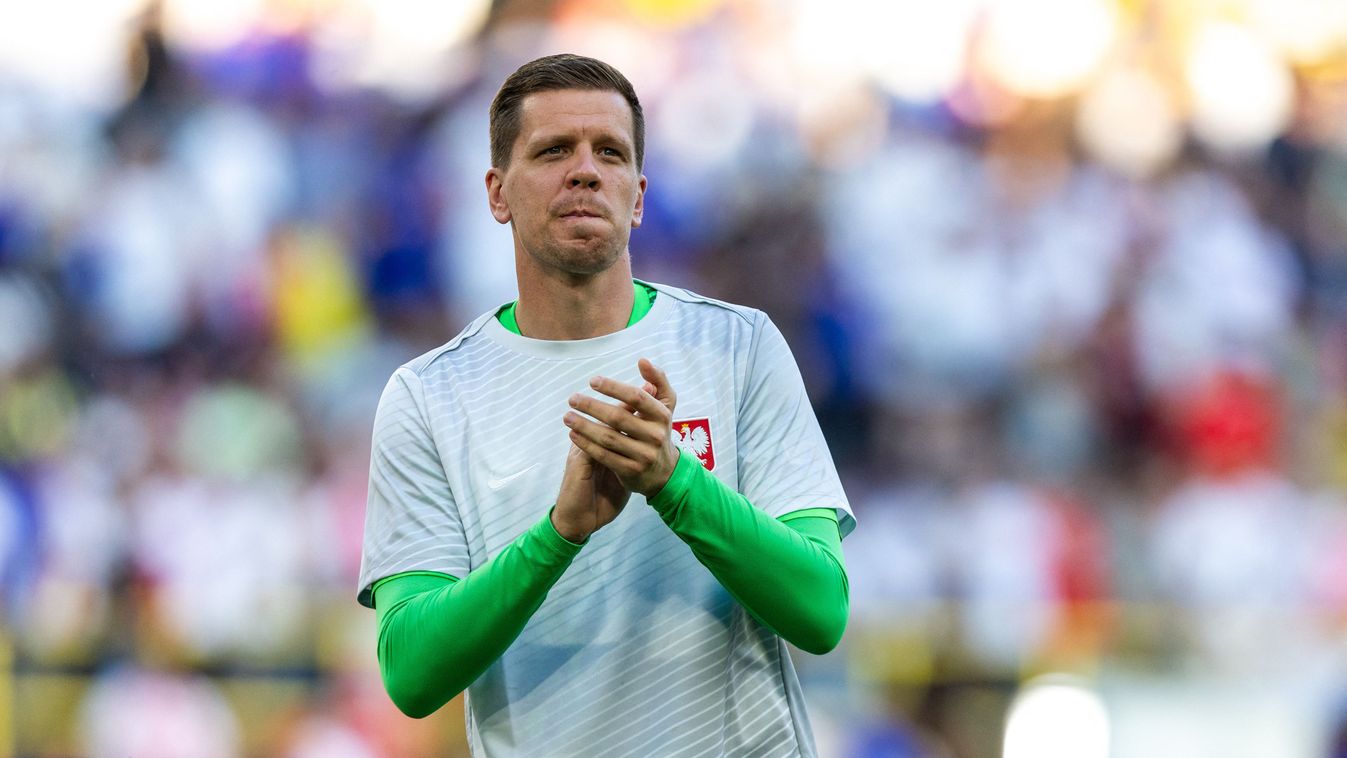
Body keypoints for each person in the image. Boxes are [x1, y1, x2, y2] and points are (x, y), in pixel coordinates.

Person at [357, 53, 854, 757]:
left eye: (610, 153)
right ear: (496, 193)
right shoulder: (430, 395)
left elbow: (820, 610)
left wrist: (674, 482)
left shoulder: (738, 346)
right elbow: (410, 672)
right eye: (554, 150)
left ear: (639, 195)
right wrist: (559, 534)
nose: (585, 170)